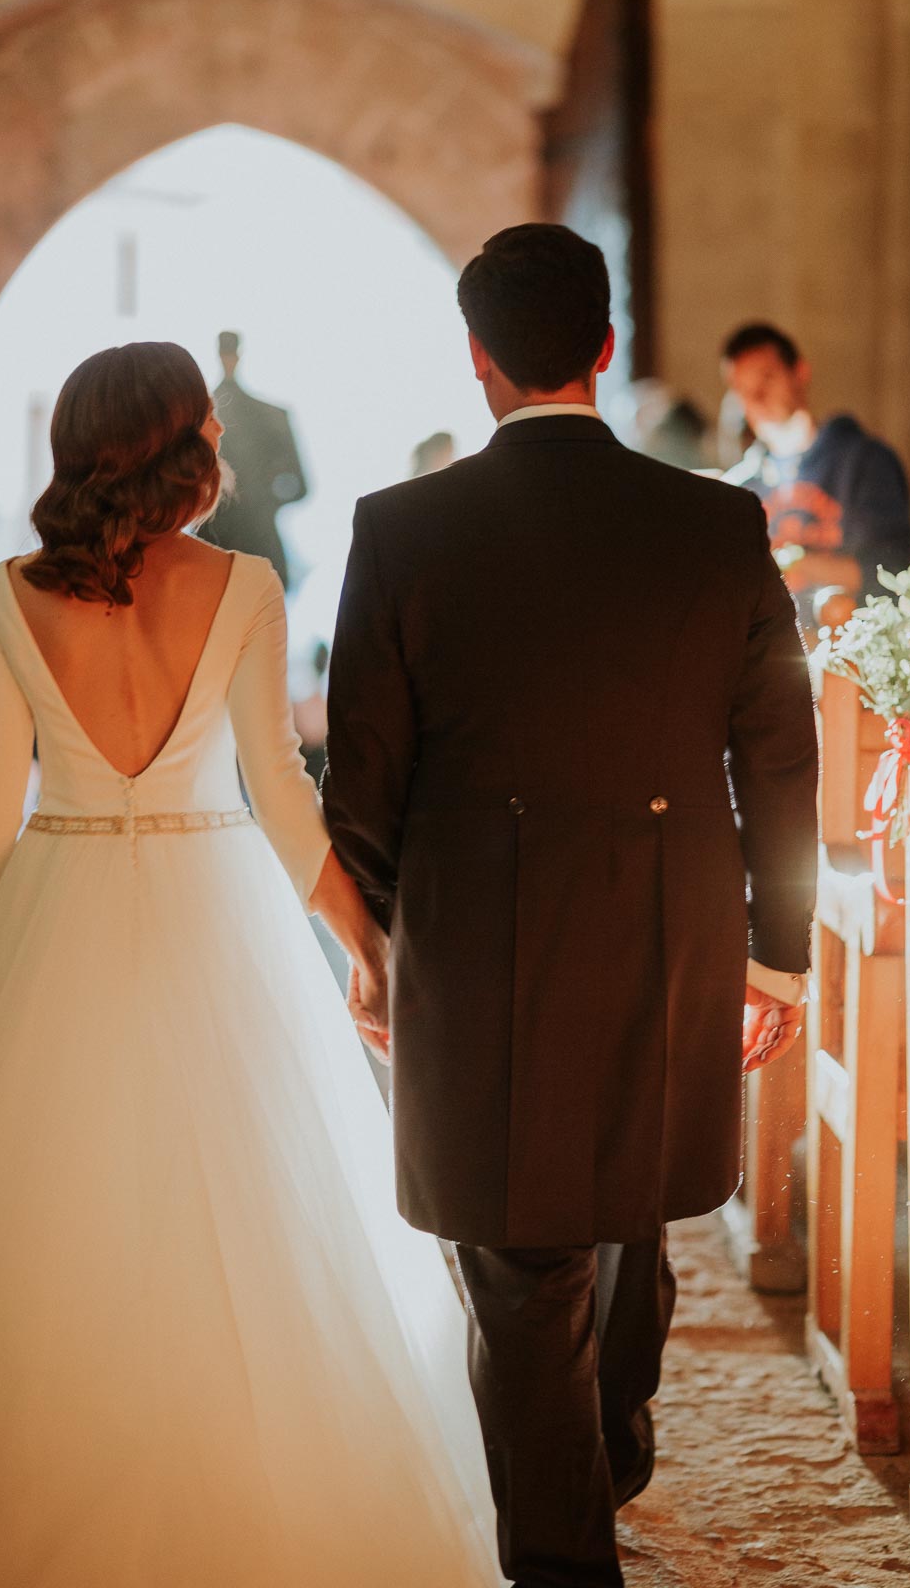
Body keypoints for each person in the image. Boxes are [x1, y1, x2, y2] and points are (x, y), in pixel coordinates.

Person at [0, 342, 500, 1586]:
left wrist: (26, 938)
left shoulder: (3, 593)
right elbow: (285, 800)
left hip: (59, 906)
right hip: (222, 909)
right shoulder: (246, 583)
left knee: (33, 1238)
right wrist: (364, 945)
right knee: (256, 1221)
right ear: (187, 446)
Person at [323, 224, 819, 1588]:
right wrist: (778, 959)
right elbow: (778, 749)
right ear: (604, 349)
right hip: (671, 922)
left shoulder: (400, 527)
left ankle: (560, 1544)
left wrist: (382, 930)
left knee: (522, 1253)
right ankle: (605, 1442)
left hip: (477, 939)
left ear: (478, 362)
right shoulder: (716, 521)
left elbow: (360, 776)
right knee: (623, 1196)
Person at [720, 321, 910, 601]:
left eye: (767, 378)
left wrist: (794, 564)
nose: (757, 398)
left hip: (854, 636)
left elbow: (892, 573)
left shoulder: (864, 462)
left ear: (799, 372)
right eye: (742, 389)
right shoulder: (742, 485)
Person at [200, 328, 308, 588]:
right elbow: (300, 487)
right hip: (252, 543)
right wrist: (264, 503)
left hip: (216, 544)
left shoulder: (199, 420)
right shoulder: (271, 416)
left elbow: (301, 487)